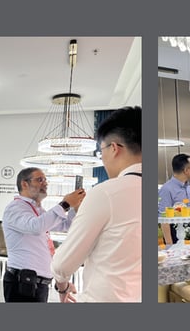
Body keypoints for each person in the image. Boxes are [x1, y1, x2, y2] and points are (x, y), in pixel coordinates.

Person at [52, 106, 143, 302]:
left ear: (114, 148)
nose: (102, 159)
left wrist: (62, 286)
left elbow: (62, 264)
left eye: (101, 151)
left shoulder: (106, 193)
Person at [2, 167, 85, 302]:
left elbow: (65, 225)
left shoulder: (37, 210)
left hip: (38, 285)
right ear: (24, 184)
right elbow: (36, 227)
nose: (45, 183)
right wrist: (65, 204)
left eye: (45, 180)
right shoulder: (15, 208)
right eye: (40, 180)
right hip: (23, 283)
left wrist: (75, 208)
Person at [159, 154, 190, 245]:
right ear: (186, 170)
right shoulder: (166, 189)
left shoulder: (187, 186)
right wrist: (169, 245)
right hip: (175, 235)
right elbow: (163, 219)